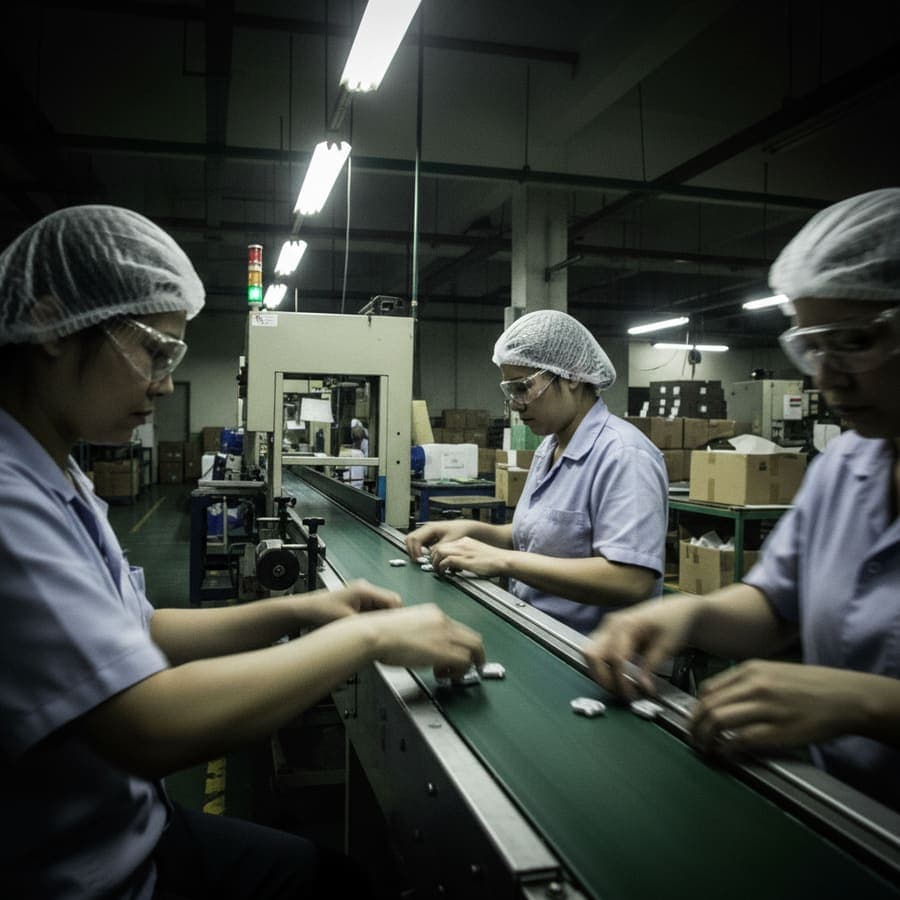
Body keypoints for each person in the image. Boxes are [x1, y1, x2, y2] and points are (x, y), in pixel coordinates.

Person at [0, 205, 485, 898]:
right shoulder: (9, 499)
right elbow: (150, 725)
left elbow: (140, 628)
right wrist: (365, 638)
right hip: (86, 877)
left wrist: (317, 609)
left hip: (131, 826)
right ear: (49, 324)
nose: (164, 383)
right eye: (153, 351)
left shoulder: (57, 472)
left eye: (173, 359)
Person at [584, 187, 900, 811]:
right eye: (812, 347)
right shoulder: (844, 465)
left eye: (857, 343)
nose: (825, 377)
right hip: (831, 804)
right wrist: (689, 616)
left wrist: (860, 702)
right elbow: (777, 603)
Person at [407, 309, 668, 634]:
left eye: (523, 388)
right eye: (510, 392)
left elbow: (631, 580)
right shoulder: (550, 448)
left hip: (591, 656)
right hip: (535, 629)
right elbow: (535, 540)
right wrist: (471, 531)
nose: (515, 405)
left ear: (571, 375)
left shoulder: (625, 456)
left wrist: (503, 562)